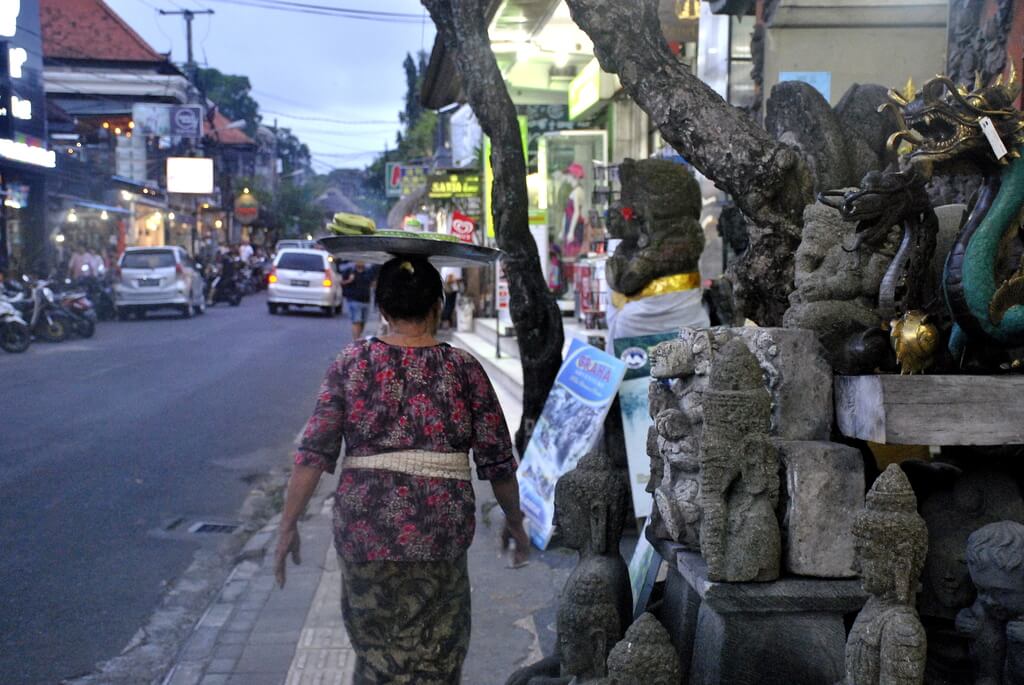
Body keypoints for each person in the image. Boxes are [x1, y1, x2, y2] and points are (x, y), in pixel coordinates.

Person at [274, 256, 530, 684]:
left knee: (376, 657)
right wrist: (515, 521)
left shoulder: (351, 363)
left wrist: (287, 525)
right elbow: (497, 461)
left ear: (382, 309)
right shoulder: (463, 369)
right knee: (438, 658)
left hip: (364, 531)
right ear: (437, 306)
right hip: (439, 535)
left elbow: (313, 453)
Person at [341, 261, 376, 339]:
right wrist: (349, 280)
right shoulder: (349, 270)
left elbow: (373, 283)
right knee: (357, 321)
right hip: (354, 300)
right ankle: (356, 341)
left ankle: (358, 338)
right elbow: (341, 282)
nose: (360, 262)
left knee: (363, 322)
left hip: (366, 300)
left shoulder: (368, 271)